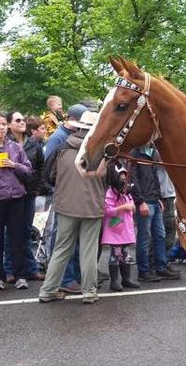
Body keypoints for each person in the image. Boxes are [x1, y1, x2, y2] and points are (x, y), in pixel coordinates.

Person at [38, 111, 106, 304]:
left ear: (78, 127)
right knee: (88, 251)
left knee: (61, 249)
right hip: (92, 207)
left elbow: (49, 176)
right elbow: (110, 179)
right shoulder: (100, 151)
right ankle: (89, 292)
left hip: (65, 205)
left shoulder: (61, 148)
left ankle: (48, 290)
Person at [3, 112, 46, 283]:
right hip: (9, 195)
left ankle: (30, 268)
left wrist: (38, 188)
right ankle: (9, 270)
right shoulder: (6, 144)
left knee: (26, 232)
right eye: (18, 120)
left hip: (28, 193)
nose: (22, 123)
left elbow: (40, 167)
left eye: (23, 120)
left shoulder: (32, 143)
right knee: (10, 234)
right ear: (9, 124)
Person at [130, 143, 181, 281]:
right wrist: (140, 201)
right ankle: (144, 270)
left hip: (154, 200)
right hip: (145, 201)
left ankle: (160, 266)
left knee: (160, 235)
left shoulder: (151, 152)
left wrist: (158, 198)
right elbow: (133, 179)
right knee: (145, 238)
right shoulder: (135, 153)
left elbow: (154, 178)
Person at [0, 112, 33, 290]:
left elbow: (29, 170)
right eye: (0, 124)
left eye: (4, 124)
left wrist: (15, 165)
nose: (2, 127)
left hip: (16, 198)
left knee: (18, 238)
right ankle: (1, 276)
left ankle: (20, 275)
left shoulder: (15, 147)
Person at [101, 163, 140, 291]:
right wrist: (123, 207)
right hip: (116, 229)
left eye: (125, 177)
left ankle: (126, 278)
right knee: (116, 254)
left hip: (125, 229)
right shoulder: (110, 192)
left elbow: (131, 204)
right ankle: (114, 280)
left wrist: (132, 207)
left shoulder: (126, 193)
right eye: (121, 177)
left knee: (125, 253)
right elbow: (108, 210)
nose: (124, 179)